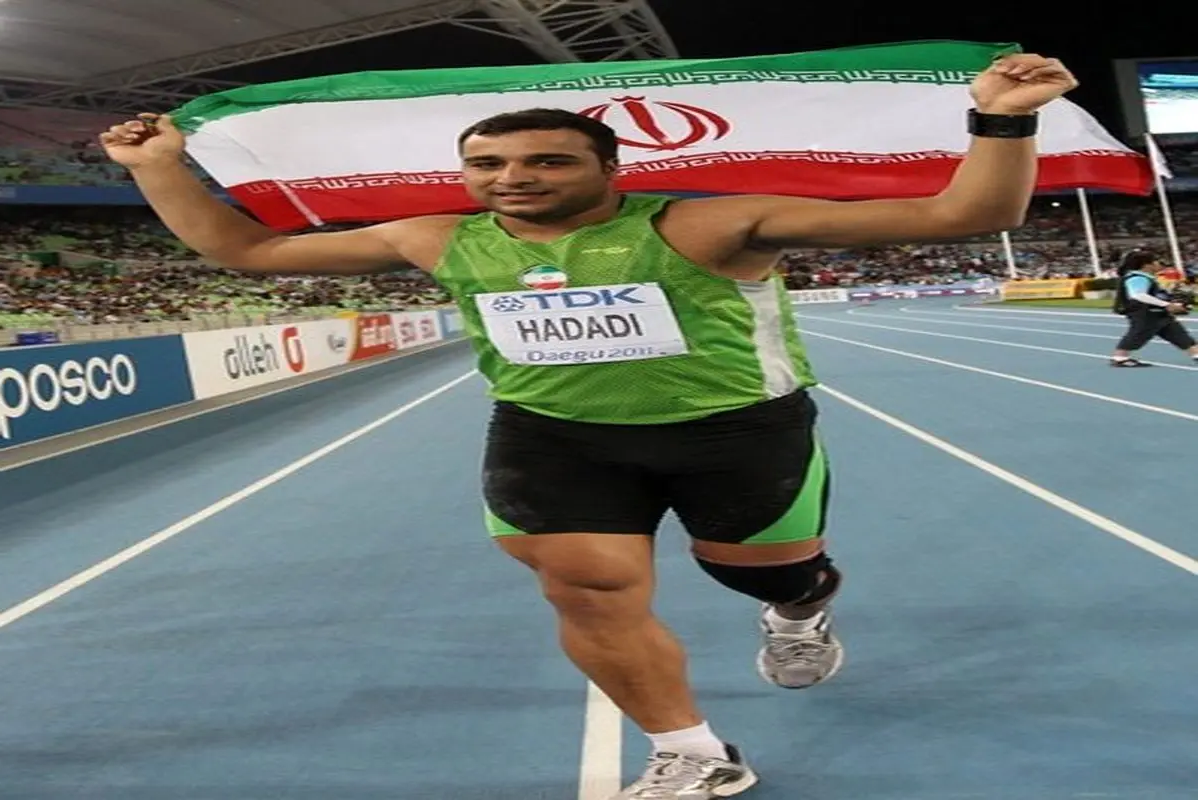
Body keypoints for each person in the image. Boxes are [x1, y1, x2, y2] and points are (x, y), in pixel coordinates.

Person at [101, 53, 1077, 800]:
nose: (512, 177)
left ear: (610, 166)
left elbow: (961, 214)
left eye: (545, 160)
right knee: (587, 587)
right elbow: (249, 248)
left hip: (735, 431)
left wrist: (1001, 117)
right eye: (487, 163)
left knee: (762, 570)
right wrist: (159, 166)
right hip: (552, 432)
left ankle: (797, 607)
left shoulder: (712, 224)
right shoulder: (436, 237)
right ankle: (691, 752)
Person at [1110, 250, 1198, 367]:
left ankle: (1196, 353)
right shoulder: (1137, 278)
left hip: (1157, 313)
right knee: (1138, 333)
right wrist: (1166, 305)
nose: (1159, 264)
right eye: (1156, 261)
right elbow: (1138, 295)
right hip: (1145, 313)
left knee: (1177, 333)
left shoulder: (1146, 277)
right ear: (1146, 265)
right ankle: (1120, 357)